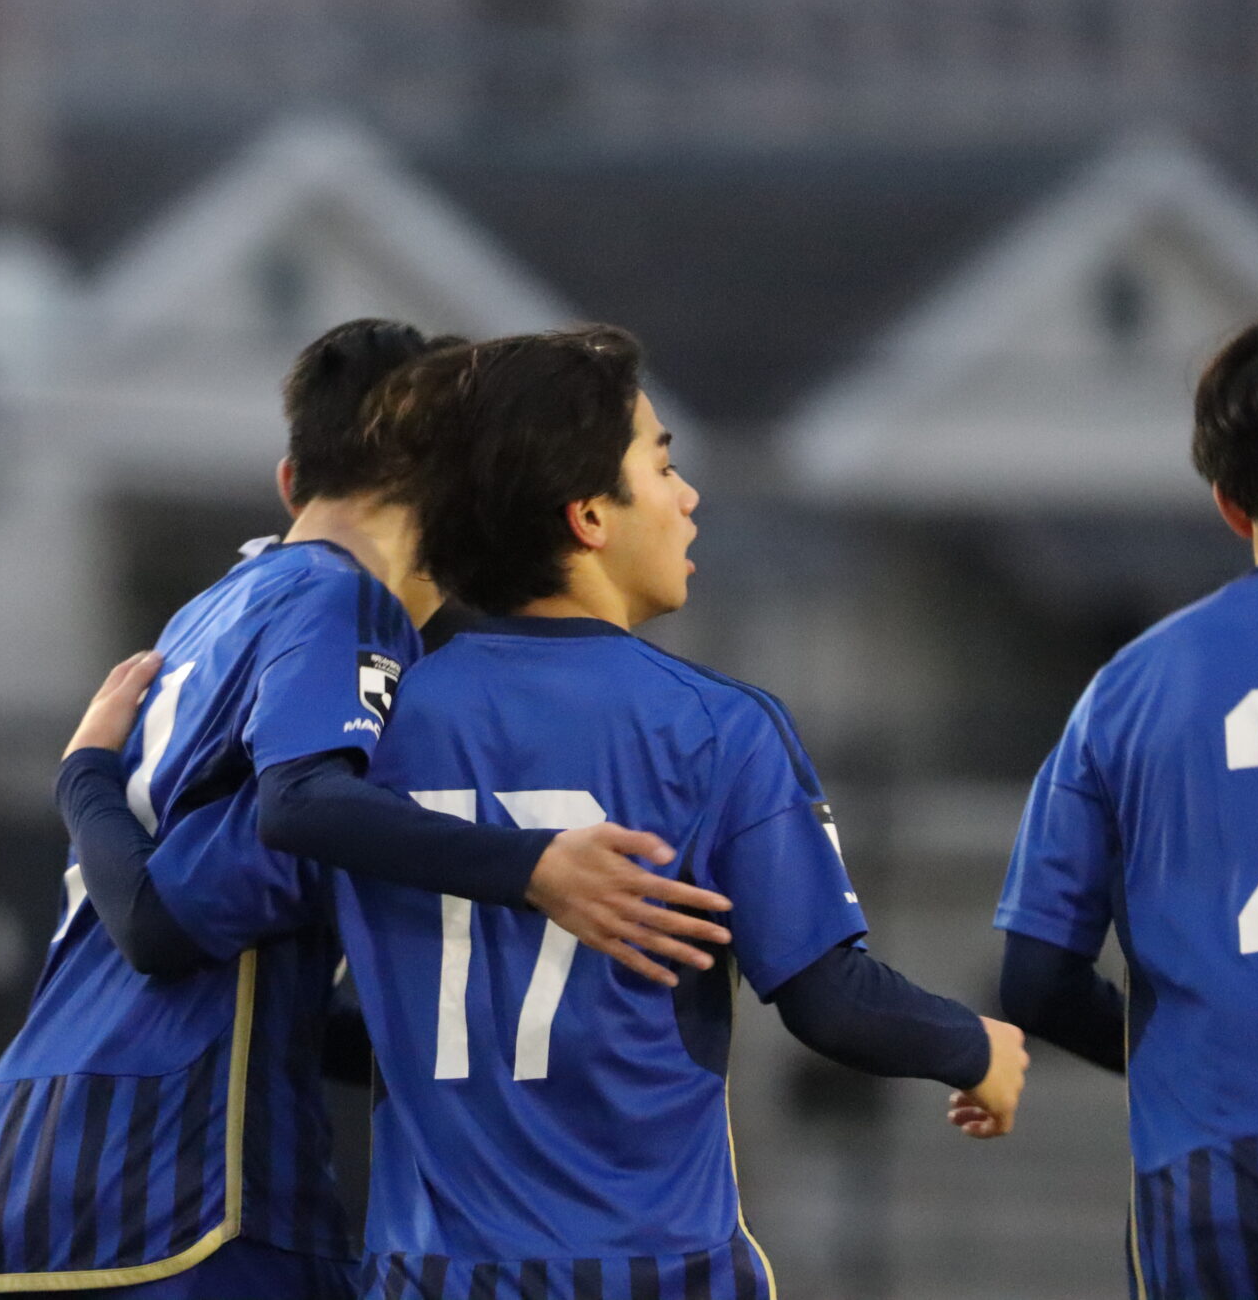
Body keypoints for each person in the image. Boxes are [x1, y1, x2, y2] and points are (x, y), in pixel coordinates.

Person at [62, 329, 1028, 1300]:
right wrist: (975, 1047)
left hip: (426, 1277)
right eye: (663, 466)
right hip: (649, 1272)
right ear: (588, 516)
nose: (688, 497)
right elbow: (831, 1001)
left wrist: (89, 780)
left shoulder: (360, 743)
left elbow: (206, 946)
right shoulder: (715, 729)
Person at [0, 320, 733, 1300]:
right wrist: (533, 868)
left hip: (21, 1159)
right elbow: (204, 892)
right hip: (179, 1184)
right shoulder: (346, 605)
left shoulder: (209, 616)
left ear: (289, 482)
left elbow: (224, 929)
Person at [996, 317, 1258, 1299]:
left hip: (1211, 1160)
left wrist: (1168, 1054)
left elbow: (1034, 980)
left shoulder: (1130, 688)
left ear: (1227, 501)